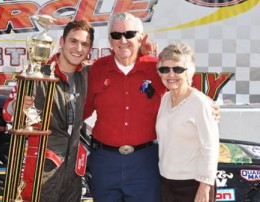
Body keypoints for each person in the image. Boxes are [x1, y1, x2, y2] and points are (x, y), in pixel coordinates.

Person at [3, 20, 95, 202]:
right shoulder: (38, 73)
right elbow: (7, 112)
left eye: (84, 44)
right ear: (62, 42)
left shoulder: (87, 74)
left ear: (89, 48)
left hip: (73, 173)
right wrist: (19, 105)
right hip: (42, 171)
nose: (78, 48)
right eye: (73, 41)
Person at [83, 12, 167, 202]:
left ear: (140, 37)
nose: (123, 40)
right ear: (110, 40)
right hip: (105, 163)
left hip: (145, 163)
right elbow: (81, 110)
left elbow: (182, 94)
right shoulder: (96, 69)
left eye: (129, 34)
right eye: (116, 35)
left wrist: (209, 107)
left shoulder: (158, 69)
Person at [155, 42, 219, 202]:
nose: (171, 74)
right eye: (165, 69)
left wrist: (205, 187)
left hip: (194, 184)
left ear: (189, 72)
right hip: (166, 182)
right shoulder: (164, 99)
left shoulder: (201, 103)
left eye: (178, 69)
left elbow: (210, 147)